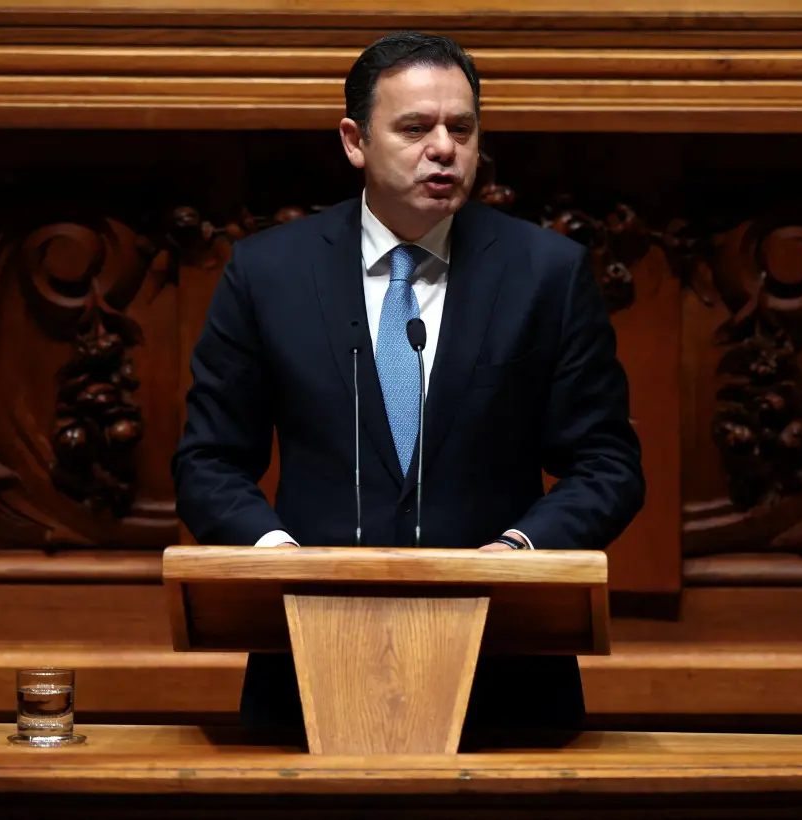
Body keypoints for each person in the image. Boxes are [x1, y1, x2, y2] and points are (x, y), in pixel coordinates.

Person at [172, 31, 645, 735]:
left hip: (505, 667)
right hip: (307, 655)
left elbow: (606, 464)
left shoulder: (546, 273)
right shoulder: (268, 274)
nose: (445, 148)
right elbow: (209, 461)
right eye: (416, 128)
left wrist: (519, 554)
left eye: (462, 127)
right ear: (355, 141)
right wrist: (281, 562)